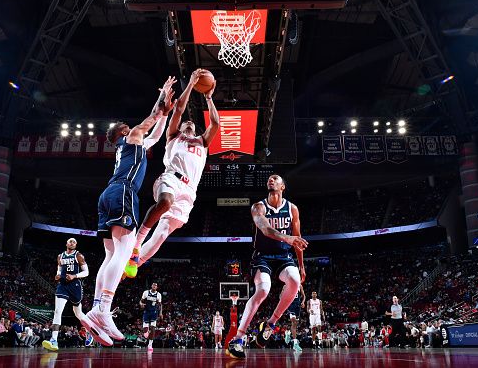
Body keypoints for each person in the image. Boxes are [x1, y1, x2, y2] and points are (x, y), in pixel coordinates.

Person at [81, 77, 174, 345]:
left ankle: (96, 308)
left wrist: (165, 115)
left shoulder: (132, 147)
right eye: (126, 125)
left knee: (110, 254)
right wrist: (163, 99)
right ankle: (103, 309)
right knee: (124, 251)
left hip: (108, 195)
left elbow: (155, 134)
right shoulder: (133, 134)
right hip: (123, 192)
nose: (130, 125)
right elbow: (151, 119)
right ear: (123, 131)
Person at [123, 69, 219, 278]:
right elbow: (178, 111)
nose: (189, 123)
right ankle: (137, 242)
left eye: (191, 123)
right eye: (187, 122)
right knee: (165, 202)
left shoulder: (202, 142)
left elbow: (216, 124)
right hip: (171, 178)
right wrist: (191, 86)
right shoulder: (174, 136)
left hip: (189, 191)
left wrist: (209, 98)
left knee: (161, 235)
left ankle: (133, 263)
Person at [227, 174, 308, 359]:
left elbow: (298, 239)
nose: (271, 180)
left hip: (284, 256)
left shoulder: (292, 209)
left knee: (295, 281)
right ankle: (238, 339)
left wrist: (301, 265)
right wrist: (288, 238)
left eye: (276, 179)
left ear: (283, 186)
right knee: (263, 289)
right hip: (262, 256)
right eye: (269, 179)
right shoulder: (258, 207)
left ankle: (270, 324)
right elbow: (265, 229)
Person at [43, 238, 97, 351]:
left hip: (75, 286)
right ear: (66, 243)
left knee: (78, 314)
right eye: (70, 241)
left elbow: (86, 272)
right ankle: (54, 341)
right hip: (63, 286)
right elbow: (59, 270)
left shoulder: (79, 256)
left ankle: (90, 330)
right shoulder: (60, 256)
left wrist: (74, 276)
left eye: (74, 242)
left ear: (76, 245)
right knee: (58, 311)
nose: (72, 243)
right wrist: (57, 275)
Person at [140, 282, 163, 352]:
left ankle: (150, 345)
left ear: (157, 287)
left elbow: (160, 305)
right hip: (146, 312)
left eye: (156, 285)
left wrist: (161, 313)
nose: (154, 286)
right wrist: (141, 304)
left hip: (154, 312)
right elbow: (141, 301)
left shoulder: (158, 295)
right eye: (153, 284)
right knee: (145, 329)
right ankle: (145, 332)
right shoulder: (146, 293)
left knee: (153, 328)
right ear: (151, 286)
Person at [284, 283, 305, 352]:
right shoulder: (286, 285)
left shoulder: (299, 285)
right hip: (291, 304)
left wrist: (303, 302)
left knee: (295, 324)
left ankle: (288, 333)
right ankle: (295, 343)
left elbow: (303, 295)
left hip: (298, 305)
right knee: (294, 321)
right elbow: (281, 296)